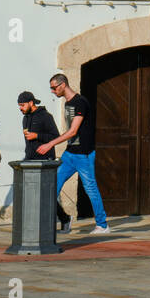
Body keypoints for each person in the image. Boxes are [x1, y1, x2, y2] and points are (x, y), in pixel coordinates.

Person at [38, 73, 108, 234]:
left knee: (91, 188)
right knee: (51, 186)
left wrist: (50, 143)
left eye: (54, 88)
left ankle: (102, 225)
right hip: (70, 154)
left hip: (84, 154)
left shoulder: (80, 102)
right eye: (51, 88)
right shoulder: (67, 103)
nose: (52, 91)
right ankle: (52, 224)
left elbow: (73, 131)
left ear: (63, 85)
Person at [18, 91, 71, 232]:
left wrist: (37, 135)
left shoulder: (45, 116)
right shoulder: (25, 118)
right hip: (29, 161)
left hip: (45, 161)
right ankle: (35, 226)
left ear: (31, 102)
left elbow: (55, 136)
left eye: (22, 105)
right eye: (19, 105)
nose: (20, 108)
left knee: (45, 196)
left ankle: (64, 219)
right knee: (31, 195)